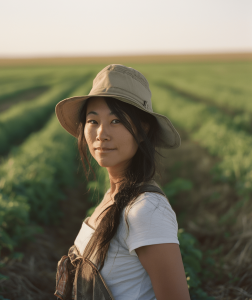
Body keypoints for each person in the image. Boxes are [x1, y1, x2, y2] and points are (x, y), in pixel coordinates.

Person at [54, 64, 191, 300]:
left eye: (116, 121)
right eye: (93, 121)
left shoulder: (146, 210)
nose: (101, 134)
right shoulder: (114, 196)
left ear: (143, 130)